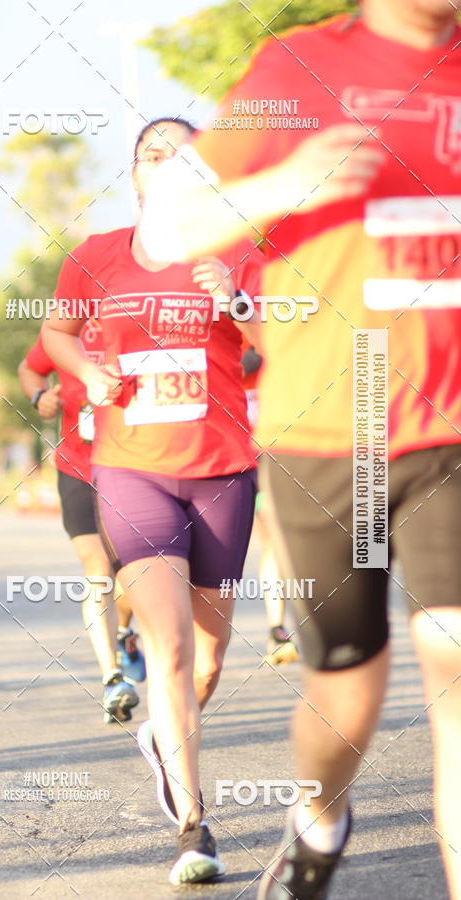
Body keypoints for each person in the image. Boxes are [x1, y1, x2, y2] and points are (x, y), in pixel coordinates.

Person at [139, 3, 461, 897]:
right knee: (346, 692)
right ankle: (320, 816)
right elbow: (168, 228)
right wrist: (286, 186)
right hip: (330, 431)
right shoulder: (295, 69)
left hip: (453, 429)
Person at [41, 116, 263, 884]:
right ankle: (194, 827)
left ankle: (165, 735)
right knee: (165, 651)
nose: (164, 164)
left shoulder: (235, 248)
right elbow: (56, 332)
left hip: (224, 470)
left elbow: (283, 337)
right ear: (134, 173)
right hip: (132, 471)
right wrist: (88, 375)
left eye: (181, 155)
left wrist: (236, 300)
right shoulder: (97, 255)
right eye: (150, 154)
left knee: (206, 659)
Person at [17, 324, 146, 725]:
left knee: (133, 575)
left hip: (135, 466)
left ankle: (124, 631)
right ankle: (113, 678)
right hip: (77, 468)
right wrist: (41, 397)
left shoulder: (142, 313)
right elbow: (29, 367)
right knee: (98, 569)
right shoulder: (67, 327)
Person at [242, 346, 299, 665]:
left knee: (274, 540)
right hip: (218, 457)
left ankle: (277, 629)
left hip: (266, 455)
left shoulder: (273, 321)